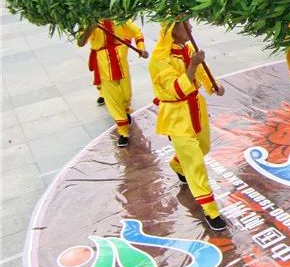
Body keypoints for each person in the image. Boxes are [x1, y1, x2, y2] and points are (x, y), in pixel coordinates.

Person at [149, 21, 227, 231]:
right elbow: (177, 89)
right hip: (176, 116)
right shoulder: (159, 60)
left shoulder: (188, 49)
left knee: (203, 149)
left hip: (196, 109)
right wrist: (192, 65)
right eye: (187, 27)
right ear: (172, 30)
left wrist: (214, 86)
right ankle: (211, 210)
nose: (191, 30)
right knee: (195, 163)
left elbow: (202, 73)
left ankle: (177, 163)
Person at [77, 20, 148, 146]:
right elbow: (80, 42)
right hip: (104, 65)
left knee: (126, 95)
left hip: (121, 61)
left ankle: (125, 111)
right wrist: (89, 28)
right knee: (113, 99)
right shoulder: (90, 19)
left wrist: (141, 48)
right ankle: (123, 131)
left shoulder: (118, 17)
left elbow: (136, 32)